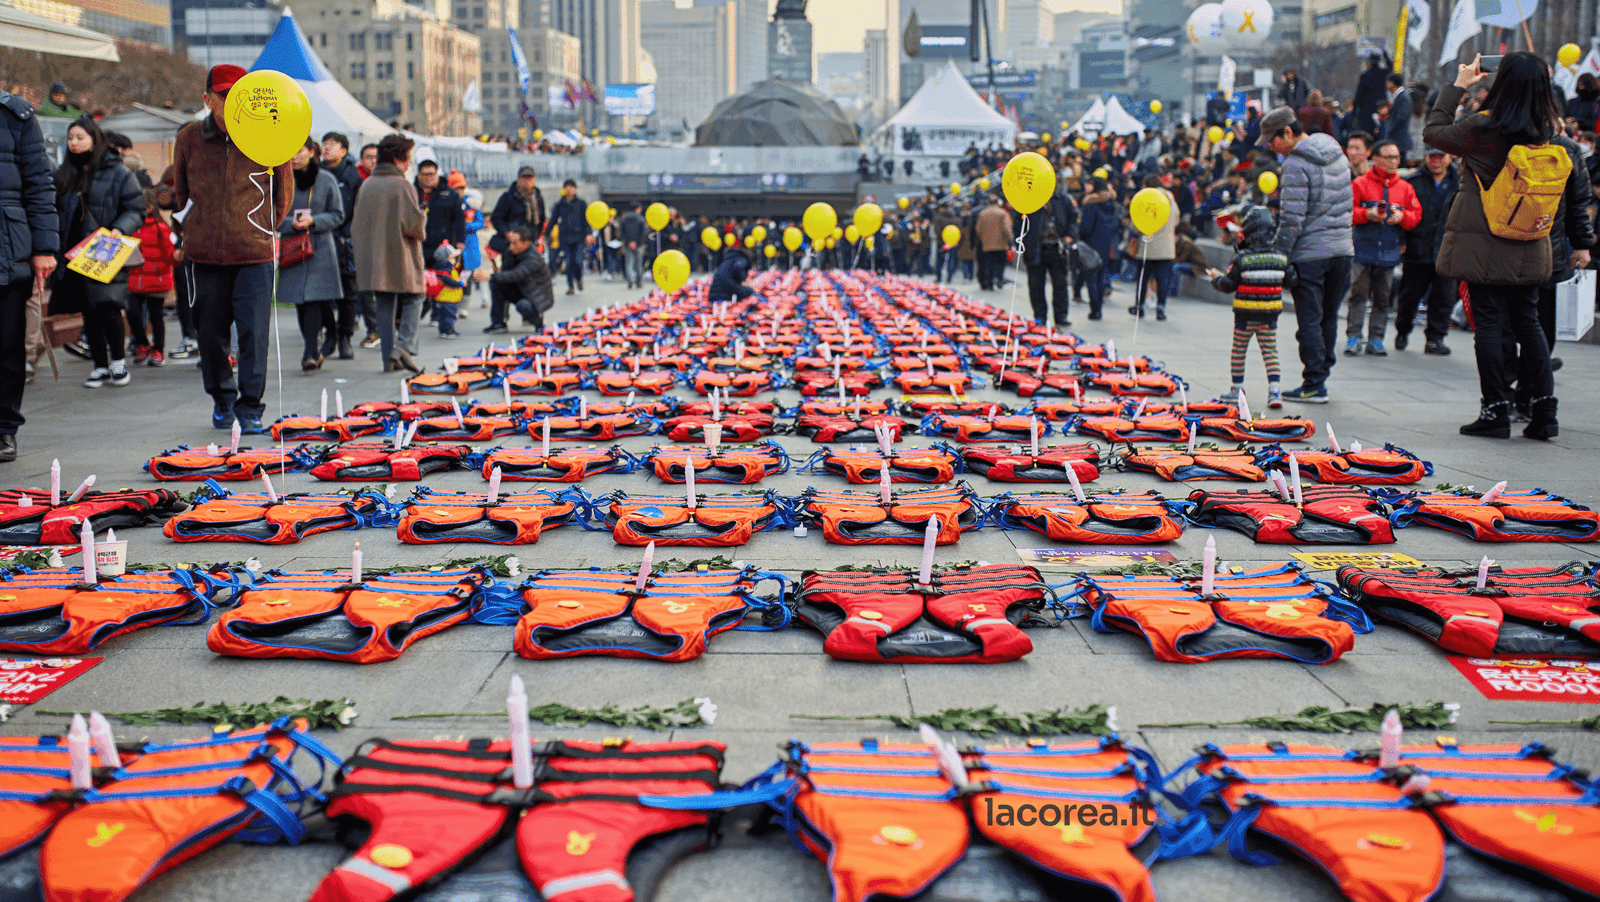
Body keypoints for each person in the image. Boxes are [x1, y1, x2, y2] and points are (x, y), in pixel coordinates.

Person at [1424, 52, 1565, 439]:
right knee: (1529, 322)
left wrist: (1459, 85)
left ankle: (1495, 411)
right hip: (1532, 239)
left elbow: (1434, 132)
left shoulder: (1484, 128)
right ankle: (1544, 412)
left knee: (1487, 321)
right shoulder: (1546, 130)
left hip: (1486, 239)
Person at [171, 64, 292, 433]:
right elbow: (179, 191)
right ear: (207, 99)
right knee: (208, 332)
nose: (230, 102)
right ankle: (222, 400)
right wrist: (190, 229)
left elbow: (283, 195)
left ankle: (251, 406)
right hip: (204, 254)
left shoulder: (269, 135)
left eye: (238, 94)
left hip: (253, 254)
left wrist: (261, 229)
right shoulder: (190, 137)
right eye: (223, 95)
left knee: (254, 333)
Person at [1261, 105, 1354, 404]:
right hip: (1343, 249)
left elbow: (1292, 219)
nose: (1271, 148)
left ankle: (1314, 383)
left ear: (1287, 133)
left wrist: (1278, 255)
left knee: (1311, 320)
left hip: (1311, 253)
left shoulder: (1295, 164)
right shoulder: (1336, 151)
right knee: (1329, 317)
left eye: (1272, 141)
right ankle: (1321, 375)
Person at [52, 117, 142, 389]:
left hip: (106, 248)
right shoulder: (65, 172)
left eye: (80, 137)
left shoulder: (118, 172)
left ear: (95, 139)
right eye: (70, 138)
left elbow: (135, 208)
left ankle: (118, 362)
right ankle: (100, 367)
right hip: (73, 251)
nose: (74, 143)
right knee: (88, 310)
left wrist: (118, 229)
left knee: (109, 306)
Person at [1515, 129, 1595, 419]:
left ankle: (1527, 394)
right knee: (1522, 328)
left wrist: (1583, 245)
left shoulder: (1567, 148)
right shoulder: (1509, 138)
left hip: (1549, 250)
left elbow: (1578, 202)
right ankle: (1521, 394)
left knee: (1539, 327)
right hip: (1520, 248)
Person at [0, 88, 59, 462]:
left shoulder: (15, 115)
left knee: (6, 348)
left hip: (7, 247)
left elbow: (40, 184)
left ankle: (4, 428)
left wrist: (44, 248)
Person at [350, 133, 425, 373]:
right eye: (407, 157)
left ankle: (388, 359)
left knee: (384, 304)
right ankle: (403, 347)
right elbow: (414, 225)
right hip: (400, 253)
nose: (409, 163)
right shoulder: (401, 184)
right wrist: (423, 217)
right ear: (397, 158)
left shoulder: (368, 184)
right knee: (415, 296)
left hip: (373, 256)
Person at [1209, 205, 1296, 408]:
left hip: (1244, 316)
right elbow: (1291, 280)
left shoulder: (1242, 258)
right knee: (1270, 352)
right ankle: (1274, 392)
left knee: (1239, 350)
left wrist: (1216, 278)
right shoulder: (1281, 258)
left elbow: (1228, 285)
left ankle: (1237, 389)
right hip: (1269, 316)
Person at [1344, 139, 1421, 357]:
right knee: (1358, 294)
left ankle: (1376, 338)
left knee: (1383, 298)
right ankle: (1354, 336)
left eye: (1396, 157)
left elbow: (1416, 215)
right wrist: (1365, 215)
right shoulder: (1359, 184)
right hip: (1362, 248)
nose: (1393, 162)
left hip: (1389, 250)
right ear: (1375, 159)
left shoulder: (1405, 188)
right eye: (1388, 157)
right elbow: (1347, 211)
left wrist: (1403, 216)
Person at [279, 137, 345, 372]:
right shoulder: (281, 180)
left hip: (320, 248)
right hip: (292, 247)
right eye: (291, 152)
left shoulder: (326, 180)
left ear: (311, 152)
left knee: (314, 300)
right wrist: (291, 223)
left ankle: (310, 351)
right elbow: (271, 216)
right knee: (300, 301)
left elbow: (338, 215)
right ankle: (313, 346)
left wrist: (314, 220)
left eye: (299, 151)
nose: (295, 157)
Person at [1394, 146, 1460, 355]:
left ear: (1449, 158)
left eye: (1441, 157)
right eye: (1432, 157)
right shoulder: (1413, 181)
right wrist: (1402, 241)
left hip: (1448, 250)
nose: (1436, 161)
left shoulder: (1460, 183)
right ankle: (1402, 331)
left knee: (1443, 296)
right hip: (1418, 247)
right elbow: (1402, 214)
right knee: (1410, 295)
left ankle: (1435, 338)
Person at [320, 132, 364, 358]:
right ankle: (330, 334)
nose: (326, 148)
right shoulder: (315, 173)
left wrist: (349, 234)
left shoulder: (353, 176)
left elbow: (359, 209)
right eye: (324, 144)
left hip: (346, 240)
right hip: (321, 238)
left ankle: (345, 337)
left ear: (344, 151)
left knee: (348, 293)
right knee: (323, 293)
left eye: (332, 145)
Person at [126, 188, 175, 367]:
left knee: (156, 317)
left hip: (157, 280)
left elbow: (170, 254)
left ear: (149, 207)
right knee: (132, 313)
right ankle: (143, 344)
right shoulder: (130, 227)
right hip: (134, 279)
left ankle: (158, 349)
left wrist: (176, 256)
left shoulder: (160, 228)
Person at [474, 224, 551, 331]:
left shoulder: (533, 258)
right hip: (521, 288)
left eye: (515, 243)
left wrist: (489, 276)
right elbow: (505, 274)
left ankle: (539, 323)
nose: (511, 246)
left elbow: (516, 274)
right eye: (510, 242)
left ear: (525, 243)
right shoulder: (511, 252)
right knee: (497, 283)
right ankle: (499, 323)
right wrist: (495, 276)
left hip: (537, 295)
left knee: (523, 305)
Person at [1018, 187, 1076, 327]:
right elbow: (1018, 222)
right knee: (1036, 286)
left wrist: (1070, 235)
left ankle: (1061, 316)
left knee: (1061, 284)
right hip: (1035, 248)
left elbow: (1073, 218)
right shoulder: (1029, 199)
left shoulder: (1063, 200)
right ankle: (1040, 316)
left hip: (1057, 248)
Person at [1130, 174, 1176, 320]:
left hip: (1147, 245)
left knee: (1143, 278)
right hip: (1166, 246)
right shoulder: (1170, 198)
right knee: (1162, 279)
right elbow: (1176, 218)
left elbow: (1137, 223)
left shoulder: (1146, 198)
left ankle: (1139, 306)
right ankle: (1161, 307)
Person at [1076, 177, 1119, 320]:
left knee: (1092, 278)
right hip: (1106, 244)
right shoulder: (1112, 205)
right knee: (1101, 277)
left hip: (1091, 245)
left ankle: (1095, 309)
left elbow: (1085, 228)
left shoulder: (1090, 205)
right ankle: (1099, 307)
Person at [413, 159, 464, 257]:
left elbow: (459, 219)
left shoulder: (451, 194)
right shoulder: (411, 193)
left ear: (437, 174)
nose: (428, 178)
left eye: (431, 174)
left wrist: (460, 240)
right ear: (419, 175)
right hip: (418, 245)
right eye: (425, 175)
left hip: (444, 246)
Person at [546, 179, 589, 294]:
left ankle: (579, 278)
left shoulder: (581, 203)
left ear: (575, 189)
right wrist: (546, 234)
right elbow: (553, 220)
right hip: (565, 238)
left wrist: (588, 234)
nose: (569, 189)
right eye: (567, 187)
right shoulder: (560, 204)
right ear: (564, 189)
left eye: (571, 187)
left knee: (578, 261)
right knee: (569, 263)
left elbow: (586, 220)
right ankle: (570, 286)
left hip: (578, 237)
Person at [974, 194, 1012, 291]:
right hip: (1001, 244)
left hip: (987, 244)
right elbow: (1006, 228)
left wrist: (983, 237)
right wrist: (1011, 239)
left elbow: (978, 229)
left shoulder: (983, 213)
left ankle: (990, 282)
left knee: (989, 264)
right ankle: (999, 277)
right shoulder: (1003, 213)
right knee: (1001, 262)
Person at [429, 244, 466, 339]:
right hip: (448, 298)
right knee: (449, 317)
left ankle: (443, 331)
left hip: (444, 297)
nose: (455, 259)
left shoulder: (442, 267)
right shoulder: (445, 268)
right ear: (446, 258)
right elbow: (448, 280)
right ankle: (449, 332)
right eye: (452, 257)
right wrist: (459, 284)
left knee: (443, 317)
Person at [1353, 52, 1391, 135]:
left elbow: (1359, 94)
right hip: (1381, 107)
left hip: (1367, 110)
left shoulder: (1365, 76)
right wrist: (1386, 56)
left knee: (1367, 133)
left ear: (1369, 63)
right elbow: (1391, 66)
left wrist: (1355, 108)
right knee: (1382, 131)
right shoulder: (1383, 73)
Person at [1381, 74, 1414, 163]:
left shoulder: (1403, 97)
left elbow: (1401, 118)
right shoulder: (1399, 97)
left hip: (1399, 141)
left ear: (1392, 83)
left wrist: (1390, 130)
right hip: (1397, 140)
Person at [618, 203, 647, 289]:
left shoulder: (624, 219)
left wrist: (629, 242)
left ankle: (630, 281)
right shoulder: (641, 219)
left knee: (629, 264)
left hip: (628, 245)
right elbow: (643, 232)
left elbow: (622, 232)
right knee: (639, 264)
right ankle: (638, 282)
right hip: (639, 245)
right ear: (637, 209)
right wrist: (637, 242)